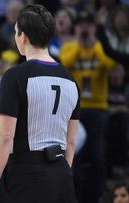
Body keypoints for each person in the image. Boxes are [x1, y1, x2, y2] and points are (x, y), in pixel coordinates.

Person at [0, 4, 80, 203]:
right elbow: (71, 142)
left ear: (23, 36)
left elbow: (4, 137)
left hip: (26, 176)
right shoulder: (71, 79)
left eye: (15, 32)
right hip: (62, 175)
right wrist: (61, 175)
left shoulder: (15, 76)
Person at [60, 10, 117, 203]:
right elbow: (65, 63)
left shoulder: (102, 48)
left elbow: (109, 64)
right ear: (76, 27)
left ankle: (97, 196)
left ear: (94, 27)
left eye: (89, 25)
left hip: (97, 107)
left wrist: (95, 43)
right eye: (81, 25)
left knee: (97, 156)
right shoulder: (69, 48)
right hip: (74, 109)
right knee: (71, 154)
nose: (85, 28)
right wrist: (80, 44)